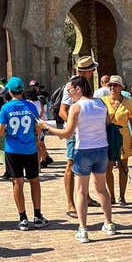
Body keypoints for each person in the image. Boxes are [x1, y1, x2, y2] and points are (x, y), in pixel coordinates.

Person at [45, 76, 116, 243]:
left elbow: (67, 133)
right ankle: (109, 223)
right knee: (102, 189)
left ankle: (83, 229)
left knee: (81, 191)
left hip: (83, 150)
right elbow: (106, 123)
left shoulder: (76, 108)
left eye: (70, 90)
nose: (69, 94)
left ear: (78, 89)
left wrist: (46, 127)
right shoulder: (101, 103)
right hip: (101, 149)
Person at [0, 76, 49, 231]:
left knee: (17, 183)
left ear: (10, 91)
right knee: (34, 181)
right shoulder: (30, 106)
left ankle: (23, 218)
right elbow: (37, 127)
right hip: (30, 149)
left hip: (13, 150)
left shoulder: (6, 108)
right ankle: (38, 215)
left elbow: (0, 131)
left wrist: (12, 131)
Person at [59, 56, 99, 217]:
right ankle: (70, 203)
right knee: (70, 165)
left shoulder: (87, 86)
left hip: (87, 131)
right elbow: (62, 111)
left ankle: (86, 197)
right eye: (92, 70)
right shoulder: (72, 86)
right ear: (88, 71)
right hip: (75, 132)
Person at [101, 75, 132, 205]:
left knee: (123, 167)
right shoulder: (103, 101)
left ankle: (122, 196)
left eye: (115, 85)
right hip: (108, 136)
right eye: (110, 85)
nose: (112, 87)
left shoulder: (127, 102)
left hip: (124, 136)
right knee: (108, 167)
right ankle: (111, 196)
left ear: (121, 87)